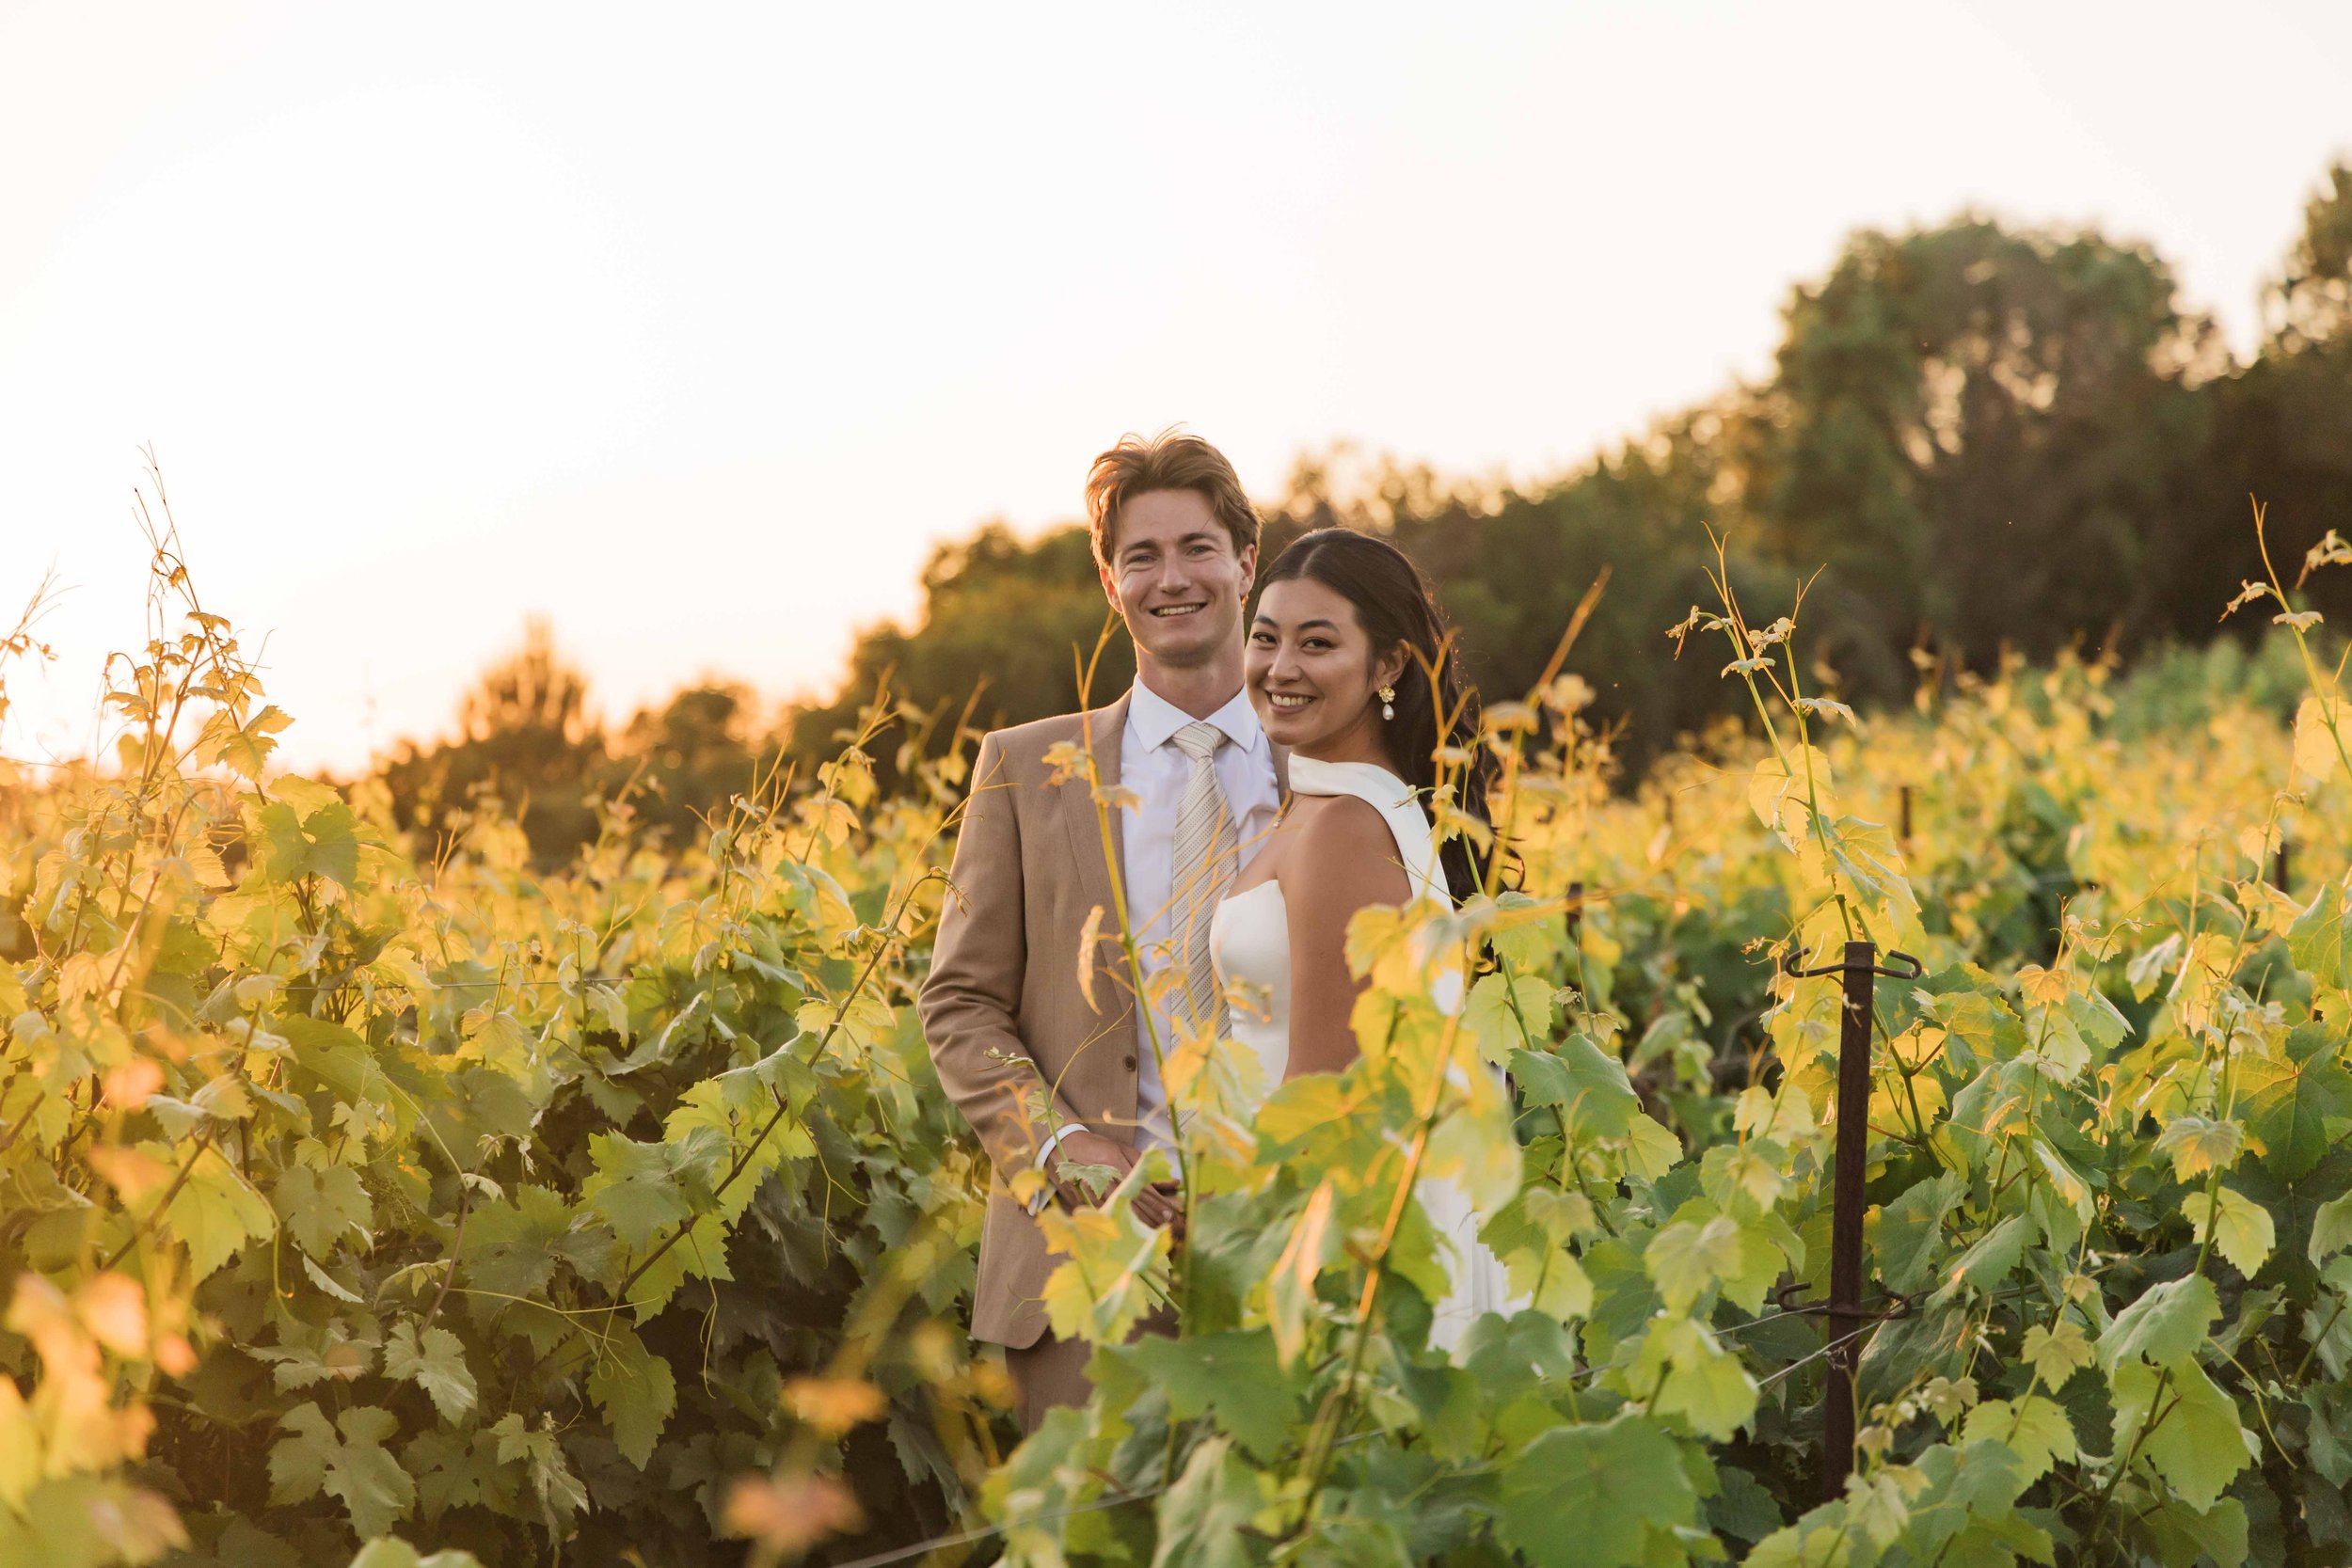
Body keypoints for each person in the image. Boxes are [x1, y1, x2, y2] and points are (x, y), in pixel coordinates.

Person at [919, 429, 1283, 1432]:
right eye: (1141, 555)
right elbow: (959, 1003)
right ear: (1109, 582)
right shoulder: (1023, 769)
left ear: (1245, 562)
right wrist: (1065, 1144)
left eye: (1198, 547)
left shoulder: (1331, 772)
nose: (1173, 577)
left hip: (1295, 1261)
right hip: (1088, 1282)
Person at [1210, 526, 1518, 1354]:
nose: (1280, 667)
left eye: (1318, 643)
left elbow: (1328, 1098)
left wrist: (1243, 1244)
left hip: (1329, 1245)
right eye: (1266, 638)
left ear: (1387, 666)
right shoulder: (1332, 803)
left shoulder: (1346, 827)